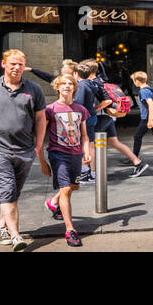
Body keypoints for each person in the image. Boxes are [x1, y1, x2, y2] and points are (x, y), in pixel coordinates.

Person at [0, 49, 47, 251]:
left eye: (20, 64)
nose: (16, 67)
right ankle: (15, 236)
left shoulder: (34, 89)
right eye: (12, 63)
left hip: (25, 150)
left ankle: (1, 226)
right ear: (3, 64)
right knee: (7, 191)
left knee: (13, 193)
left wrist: (39, 145)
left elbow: (41, 119)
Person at [39, 73, 90, 247]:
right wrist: (42, 161)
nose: (67, 86)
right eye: (63, 83)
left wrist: (86, 152)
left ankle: (53, 202)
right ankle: (70, 230)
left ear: (74, 87)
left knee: (74, 186)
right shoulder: (50, 109)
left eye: (70, 83)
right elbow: (39, 137)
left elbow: (84, 135)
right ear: (57, 87)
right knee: (66, 188)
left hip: (76, 154)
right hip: (57, 153)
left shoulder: (81, 109)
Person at [74, 59, 147, 178]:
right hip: (109, 118)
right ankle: (138, 163)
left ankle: (91, 173)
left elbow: (107, 101)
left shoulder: (92, 82)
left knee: (88, 143)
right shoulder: (100, 80)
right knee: (114, 142)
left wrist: (94, 109)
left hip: (101, 117)